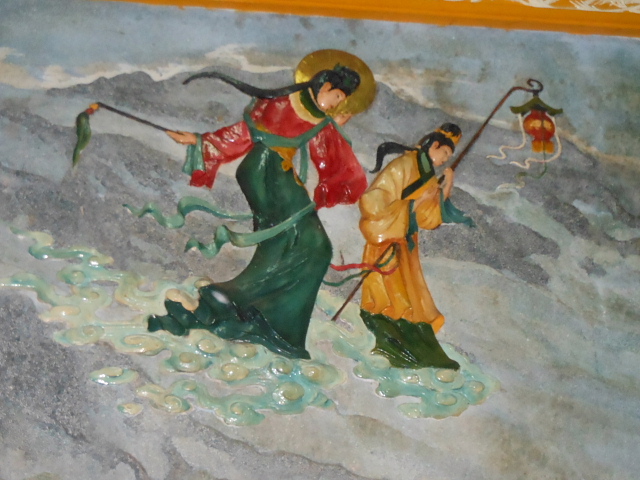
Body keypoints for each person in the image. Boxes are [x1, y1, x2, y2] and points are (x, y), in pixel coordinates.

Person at [148, 60, 371, 360]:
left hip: (270, 172)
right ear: (326, 86)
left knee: (293, 244)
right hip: (269, 173)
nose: (335, 104)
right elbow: (245, 133)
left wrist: (334, 126)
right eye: (337, 97)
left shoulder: (312, 114)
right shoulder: (288, 105)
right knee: (314, 246)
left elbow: (323, 144)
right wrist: (200, 141)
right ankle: (256, 311)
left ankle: (246, 306)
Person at [358, 123, 473, 369]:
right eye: (444, 153)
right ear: (434, 145)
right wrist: (407, 206)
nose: (444, 159)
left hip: (406, 241)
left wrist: (446, 186)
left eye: (448, 157)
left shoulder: (429, 177)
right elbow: (374, 200)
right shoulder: (403, 165)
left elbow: (428, 217)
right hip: (388, 235)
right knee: (389, 293)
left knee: (411, 295)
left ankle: (417, 348)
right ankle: (393, 342)